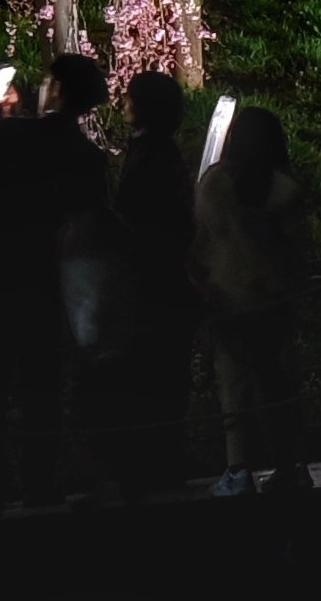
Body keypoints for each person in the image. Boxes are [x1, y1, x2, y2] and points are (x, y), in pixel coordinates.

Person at [0, 58, 105, 503]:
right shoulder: (88, 156)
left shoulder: (16, 135)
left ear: (58, 90)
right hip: (56, 281)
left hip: (2, 275)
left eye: (49, 81)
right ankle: (40, 483)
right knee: (43, 388)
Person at [190, 93, 309, 490]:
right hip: (274, 300)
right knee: (280, 387)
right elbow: (297, 250)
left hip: (227, 299)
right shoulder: (287, 190)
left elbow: (201, 240)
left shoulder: (214, 186)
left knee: (233, 388)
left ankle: (238, 471)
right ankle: (291, 466)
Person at [94, 72, 201, 499]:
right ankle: (157, 467)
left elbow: (145, 220)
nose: (122, 102)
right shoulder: (157, 152)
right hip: (162, 283)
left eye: (130, 97)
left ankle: (149, 472)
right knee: (159, 380)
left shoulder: (152, 155)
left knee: (150, 379)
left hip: (152, 286)